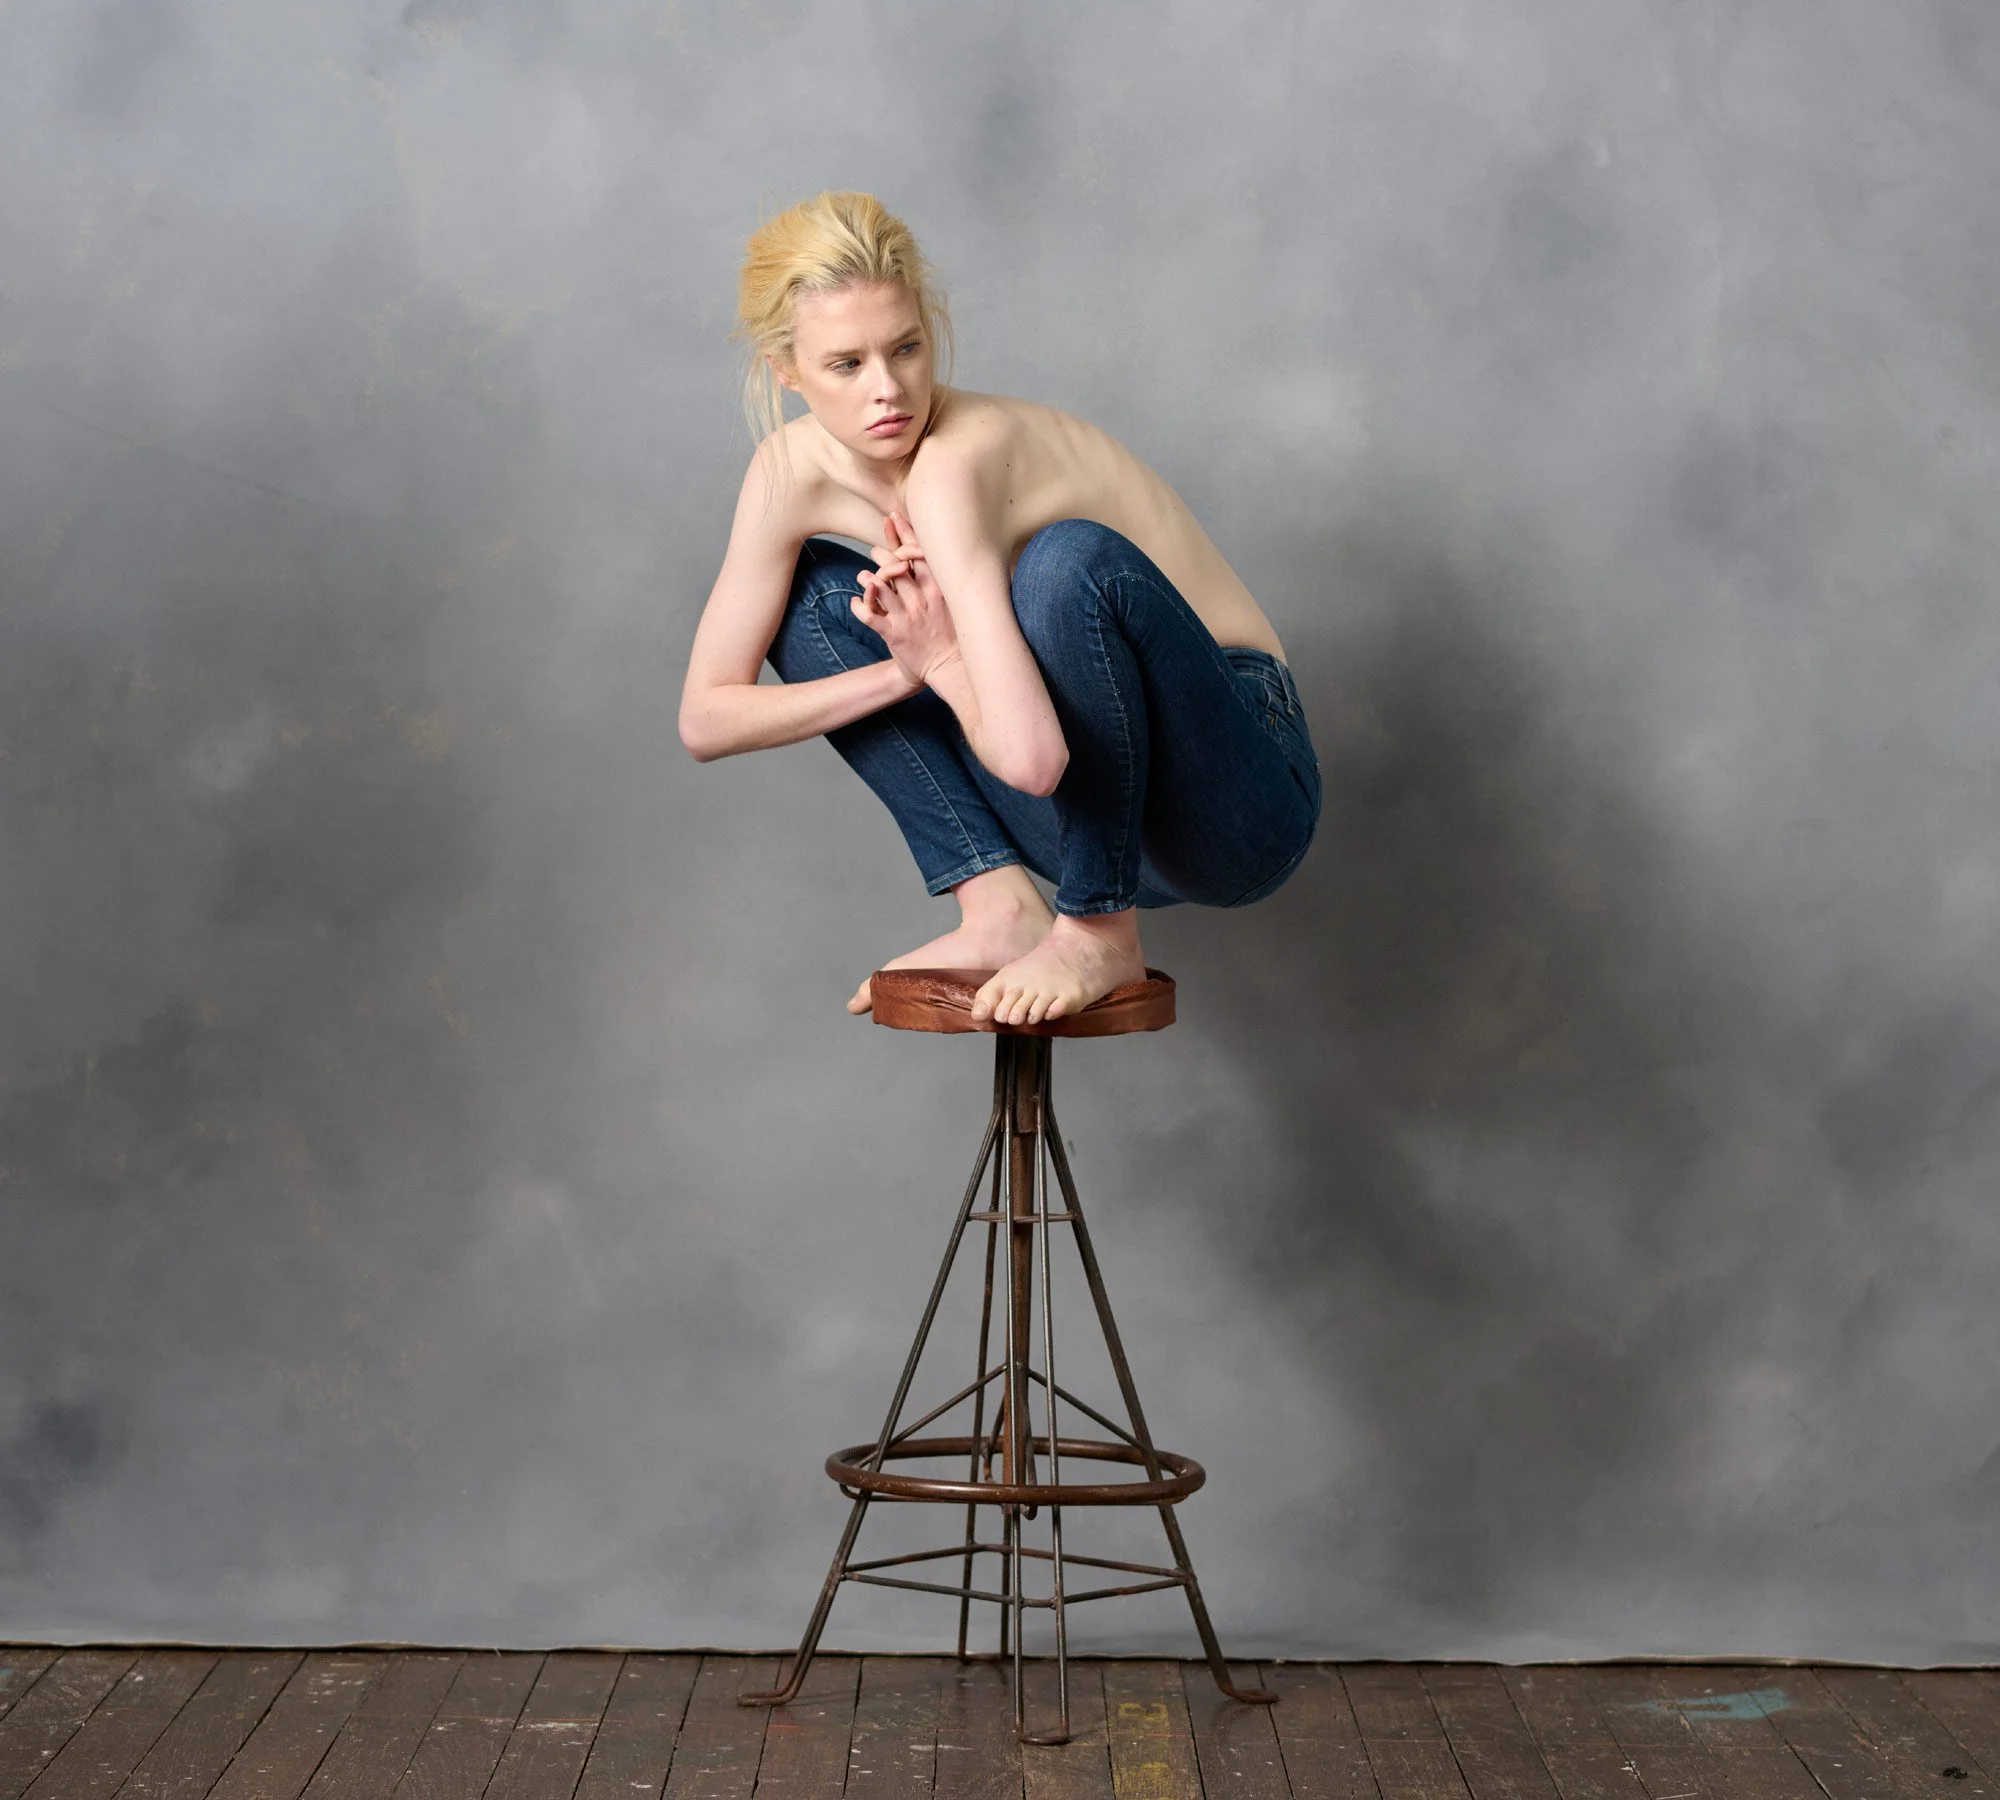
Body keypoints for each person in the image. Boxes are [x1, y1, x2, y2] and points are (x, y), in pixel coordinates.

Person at [679, 191, 1321, 1027]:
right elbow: (707, 720)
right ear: (786, 370)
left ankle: (1097, 926)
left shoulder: (958, 462)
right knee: (815, 599)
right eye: (846, 365)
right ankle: (996, 906)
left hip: (1236, 798)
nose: (889, 390)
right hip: (1097, 816)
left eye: (906, 348)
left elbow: (1034, 762)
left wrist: (940, 660)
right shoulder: (785, 476)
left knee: (1064, 566)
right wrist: (903, 671)